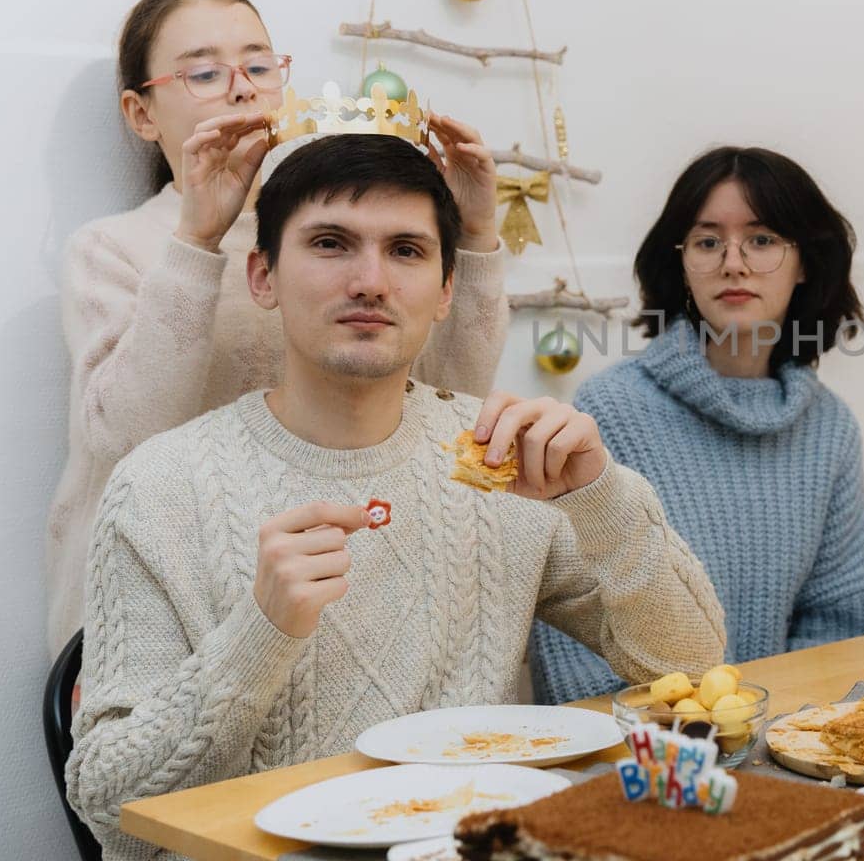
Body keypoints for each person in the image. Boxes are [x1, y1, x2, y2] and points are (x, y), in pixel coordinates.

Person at [64, 133, 725, 860]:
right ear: (263, 276)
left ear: (446, 290)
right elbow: (110, 814)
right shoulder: (158, 486)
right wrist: (260, 630)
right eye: (330, 244)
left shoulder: (500, 459)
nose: (371, 281)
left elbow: (689, 666)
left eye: (406, 251)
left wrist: (600, 496)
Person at [46, 0, 511, 653]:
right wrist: (198, 240)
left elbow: (447, 396)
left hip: (309, 585)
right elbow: (124, 443)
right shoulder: (116, 249)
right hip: (155, 600)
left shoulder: (322, 234)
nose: (242, 88)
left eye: (259, 66)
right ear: (141, 113)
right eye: (205, 72)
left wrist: (476, 234)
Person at [529, 145, 864, 705]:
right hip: (644, 752)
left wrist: (777, 731)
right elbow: (574, 630)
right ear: (682, 264)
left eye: (762, 240)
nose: (733, 263)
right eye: (708, 241)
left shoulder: (829, 427)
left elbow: (839, 625)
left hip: (787, 740)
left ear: (805, 262)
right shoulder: (608, 410)